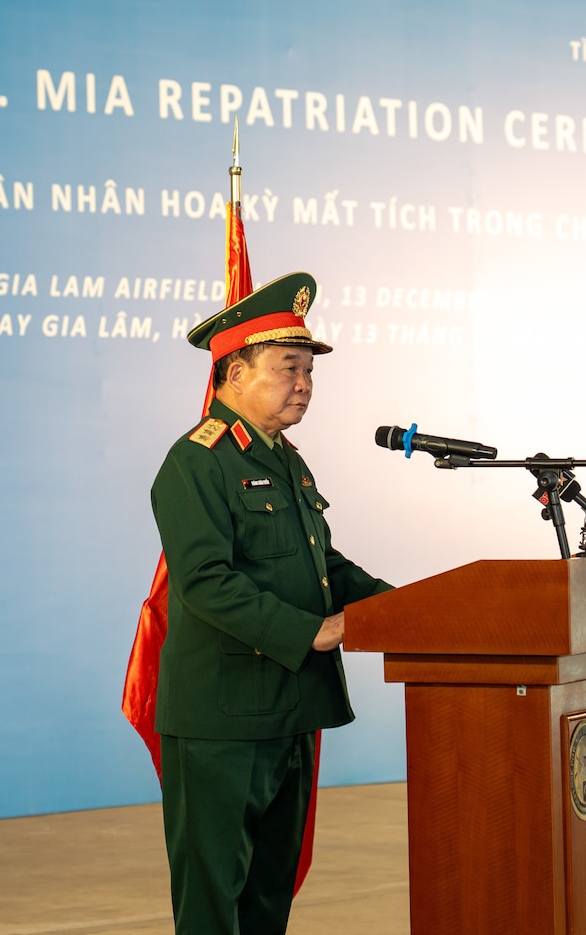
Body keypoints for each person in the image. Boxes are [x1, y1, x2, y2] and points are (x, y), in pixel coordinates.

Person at [149, 270, 393, 935]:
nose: (304, 386)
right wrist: (310, 633)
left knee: (268, 894)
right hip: (222, 719)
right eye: (288, 368)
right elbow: (204, 582)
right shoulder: (195, 462)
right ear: (232, 372)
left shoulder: (285, 459)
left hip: (289, 710)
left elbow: (324, 566)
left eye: (309, 373)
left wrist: (399, 608)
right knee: (213, 898)